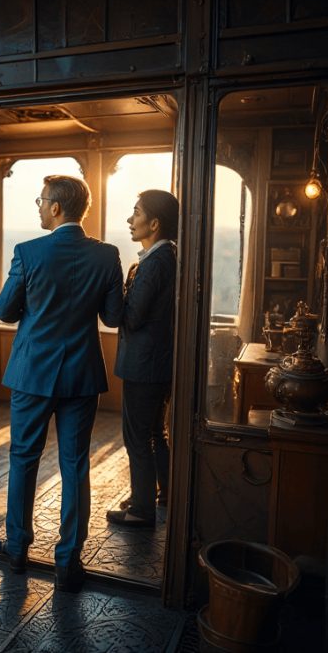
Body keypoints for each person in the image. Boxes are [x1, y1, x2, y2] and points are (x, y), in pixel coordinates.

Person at [0, 175, 123, 592]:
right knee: (75, 465)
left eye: (40, 200)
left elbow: (3, 312)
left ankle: (17, 549)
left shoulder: (28, 252)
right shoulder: (107, 255)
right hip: (81, 373)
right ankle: (68, 560)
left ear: (55, 207)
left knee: (23, 459)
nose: (37, 206)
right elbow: (114, 318)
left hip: (32, 373)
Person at [106, 189, 179, 528]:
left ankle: (141, 509)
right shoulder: (168, 258)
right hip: (159, 363)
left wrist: (115, 290)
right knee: (154, 433)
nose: (129, 220)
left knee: (137, 437)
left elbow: (132, 318)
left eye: (135, 213)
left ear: (154, 223)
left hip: (144, 365)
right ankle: (161, 494)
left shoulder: (153, 263)